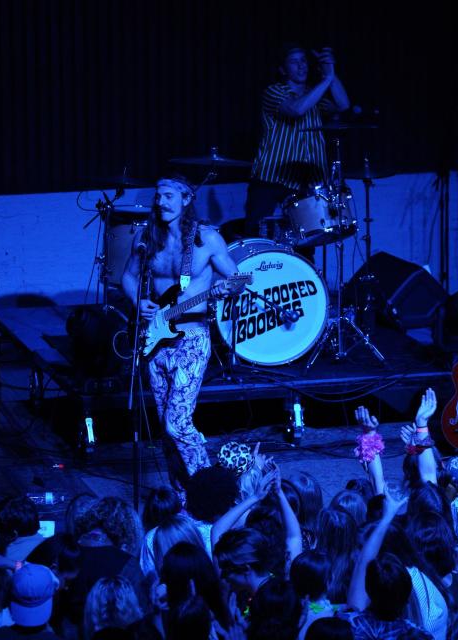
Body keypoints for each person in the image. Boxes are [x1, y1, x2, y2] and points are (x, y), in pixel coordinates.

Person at [122, 175, 241, 485]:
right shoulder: (147, 238)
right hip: (156, 340)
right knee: (166, 428)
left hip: (192, 337)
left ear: (186, 199)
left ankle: (209, 485)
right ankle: (182, 495)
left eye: (169, 196)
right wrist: (140, 302)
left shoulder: (207, 239)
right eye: (158, 196)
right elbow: (128, 277)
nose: (161, 202)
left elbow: (239, 279)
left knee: (177, 423)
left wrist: (223, 289)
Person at [245, 44, 350, 239]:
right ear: (283, 70)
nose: (301, 66)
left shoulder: (315, 94)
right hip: (272, 179)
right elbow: (296, 109)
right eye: (294, 62)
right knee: (259, 238)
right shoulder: (274, 91)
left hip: (305, 183)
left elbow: (343, 105)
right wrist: (326, 79)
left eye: (303, 61)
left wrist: (331, 72)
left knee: (305, 243)